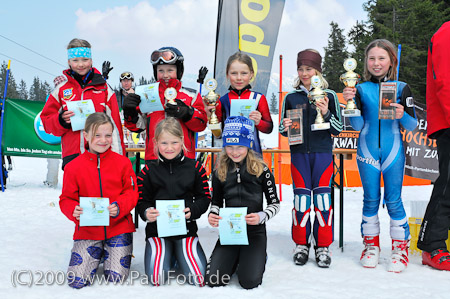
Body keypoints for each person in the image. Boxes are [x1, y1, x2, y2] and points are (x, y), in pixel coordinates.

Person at [342, 39, 417, 272]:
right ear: (366, 62)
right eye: (372, 58)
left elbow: (412, 126)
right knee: (371, 199)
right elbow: (356, 126)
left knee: (394, 200)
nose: (376, 63)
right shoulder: (360, 89)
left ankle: (400, 249)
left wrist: (401, 114)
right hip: (366, 151)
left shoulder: (402, 87)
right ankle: (371, 246)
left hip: (393, 151)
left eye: (381, 58)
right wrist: (350, 102)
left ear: (392, 60)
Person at [279, 49, 343, 268]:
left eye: (308, 68)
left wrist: (325, 113)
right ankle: (301, 244)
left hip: (323, 155)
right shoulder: (291, 97)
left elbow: (338, 129)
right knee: (301, 201)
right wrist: (286, 127)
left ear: (318, 70)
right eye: (300, 68)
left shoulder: (330, 95)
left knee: (323, 201)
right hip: (298, 156)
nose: (304, 73)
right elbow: (281, 129)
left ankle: (323, 246)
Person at [59, 112, 138, 289]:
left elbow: (132, 193)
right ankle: (98, 251)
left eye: (108, 135)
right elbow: (66, 198)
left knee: (116, 277)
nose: (103, 140)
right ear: (86, 135)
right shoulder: (73, 167)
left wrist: (119, 207)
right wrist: (73, 209)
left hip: (118, 227)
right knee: (76, 281)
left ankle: (110, 250)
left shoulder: (123, 163)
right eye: (97, 135)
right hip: (88, 230)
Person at [206, 116, 280, 289]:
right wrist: (213, 214)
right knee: (214, 279)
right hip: (229, 233)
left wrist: (261, 216)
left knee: (249, 282)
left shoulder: (262, 169)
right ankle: (235, 257)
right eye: (229, 147)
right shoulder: (219, 170)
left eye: (240, 146)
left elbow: (274, 204)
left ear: (248, 144)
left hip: (254, 233)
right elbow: (216, 201)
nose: (234, 152)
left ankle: (256, 256)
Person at [136, 117, 210, 286]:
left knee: (197, 278)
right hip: (157, 233)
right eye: (164, 143)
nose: (169, 148)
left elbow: (204, 198)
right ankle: (169, 254)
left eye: (174, 142)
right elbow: (141, 201)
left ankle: (179, 253)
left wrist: (193, 210)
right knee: (157, 278)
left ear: (182, 141)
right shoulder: (148, 170)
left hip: (186, 231)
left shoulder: (195, 167)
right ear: (155, 143)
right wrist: (147, 212)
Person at [41, 38, 125, 170]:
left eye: (85, 60)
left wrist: (119, 160)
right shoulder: (61, 90)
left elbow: (115, 128)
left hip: (101, 156)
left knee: (100, 191)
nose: (80, 64)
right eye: (75, 60)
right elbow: (46, 122)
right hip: (72, 157)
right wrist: (61, 120)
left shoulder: (104, 89)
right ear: (69, 62)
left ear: (91, 60)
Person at [123, 47, 207, 161]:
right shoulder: (147, 95)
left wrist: (187, 113)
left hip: (184, 160)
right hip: (154, 160)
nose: (165, 75)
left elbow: (201, 124)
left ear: (179, 71)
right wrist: (130, 112)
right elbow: (138, 126)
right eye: (161, 71)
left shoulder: (190, 95)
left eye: (170, 70)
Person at [417, 21, 450, 271]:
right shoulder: (447, 32)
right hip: (448, 121)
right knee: (448, 185)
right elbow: (445, 82)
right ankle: (432, 245)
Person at [203, 51, 273, 154]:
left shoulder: (258, 98)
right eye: (234, 73)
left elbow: (269, 128)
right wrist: (210, 117)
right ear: (227, 75)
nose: (239, 78)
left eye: (244, 73)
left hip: (253, 156)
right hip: (230, 156)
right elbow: (217, 135)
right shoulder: (222, 101)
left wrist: (259, 122)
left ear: (251, 75)